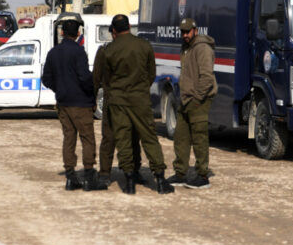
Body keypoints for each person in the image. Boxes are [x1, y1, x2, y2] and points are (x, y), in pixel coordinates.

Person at [104, 14, 173, 195]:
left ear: (114, 30)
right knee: (149, 137)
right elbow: (151, 74)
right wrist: (140, 89)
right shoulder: (144, 45)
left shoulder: (109, 50)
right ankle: (160, 180)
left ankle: (129, 182)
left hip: (118, 101)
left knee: (124, 139)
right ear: (129, 27)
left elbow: (106, 78)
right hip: (140, 99)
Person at [41, 19, 105, 191]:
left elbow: (46, 79)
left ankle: (70, 177)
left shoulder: (53, 52)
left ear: (62, 33)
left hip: (63, 103)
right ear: (78, 34)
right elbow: (84, 77)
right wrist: (91, 92)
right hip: (81, 103)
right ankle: (89, 177)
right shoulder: (79, 52)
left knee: (69, 139)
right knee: (87, 138)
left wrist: (60, 88)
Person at [167, 18, 218, 189]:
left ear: (195, 30)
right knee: (180, 137)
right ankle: (180, 173)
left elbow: (207, 77)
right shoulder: (186, 47)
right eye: (182, 32)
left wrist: (197, 98)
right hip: (186, 99)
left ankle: (202, 175)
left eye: (187, 31)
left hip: (198, 100)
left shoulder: (203, 48)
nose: (185, 35)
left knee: (199, 137)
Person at [93, 25, 142, 186]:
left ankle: (105, 174)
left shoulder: (105, 51)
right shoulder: (137, 49)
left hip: (112, 101)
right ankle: (133, 172)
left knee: (109, 138)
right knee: (132, 138)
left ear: (113, 33)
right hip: (132, 102)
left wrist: (92, 100)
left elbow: (96, 78)